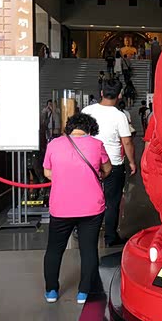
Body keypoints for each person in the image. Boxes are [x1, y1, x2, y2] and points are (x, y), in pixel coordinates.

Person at [43, 113, 112, 305]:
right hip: (91, 207)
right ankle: (84, 292)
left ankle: (51, 291)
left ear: (69, 127)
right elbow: (107, 169)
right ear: (90, 129)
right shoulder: (96, 145)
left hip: (61, 206)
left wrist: (65, 177)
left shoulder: (54, 144)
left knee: (54, 249)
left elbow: (47, 172)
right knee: (88, 249)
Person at [82, 80, 137, 247]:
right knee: (112, 202)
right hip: (113, 163)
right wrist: (132, 162)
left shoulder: (87, 111)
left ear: (101, 93)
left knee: (88, 197)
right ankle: (110, 237)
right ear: (119, 95)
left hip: (89, 163)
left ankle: (86, 232)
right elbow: (126, 142)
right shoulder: (119, 116)